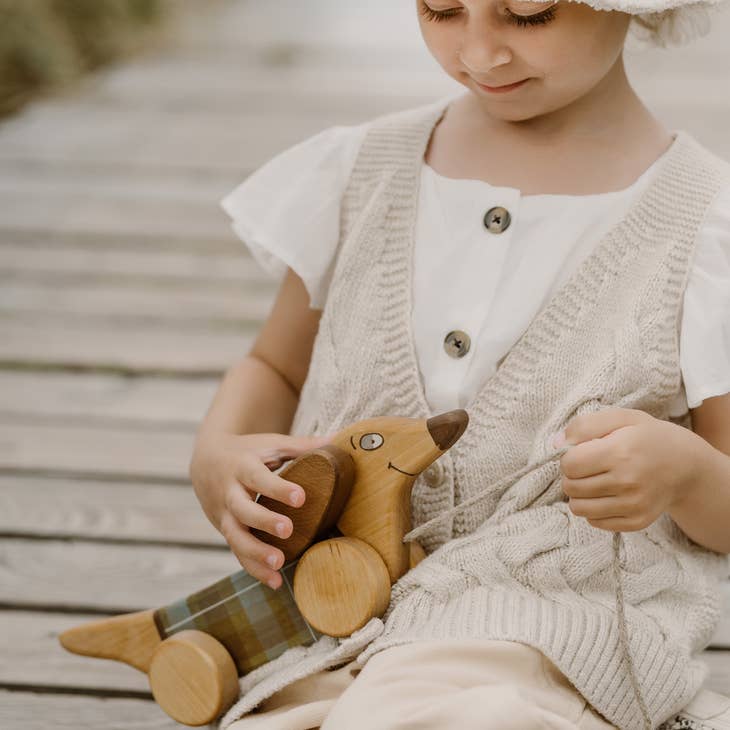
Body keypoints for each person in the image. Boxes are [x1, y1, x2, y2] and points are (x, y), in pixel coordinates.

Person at [188, 0, 730, 728]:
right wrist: (219, 455)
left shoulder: (701, 225)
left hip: (554, 621)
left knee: (450, 710)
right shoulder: (363, 171)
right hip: (332, 614)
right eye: (442, 9)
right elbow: (273, 367)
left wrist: (683, 471)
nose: (479, 52)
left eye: (529, 15)